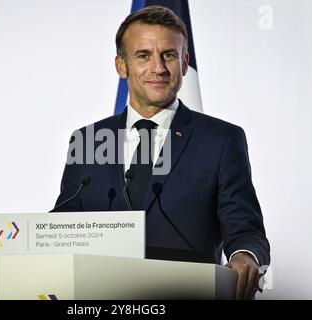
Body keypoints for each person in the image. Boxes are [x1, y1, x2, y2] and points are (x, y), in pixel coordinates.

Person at [54, 6, 270, 300]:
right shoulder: (88, 140)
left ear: (184, 63)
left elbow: (245, 228)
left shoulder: (221, 140)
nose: (158, 67)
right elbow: (63, 222)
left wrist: (246, 256)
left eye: (168, 55)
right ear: (121, 65)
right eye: (143, 55)